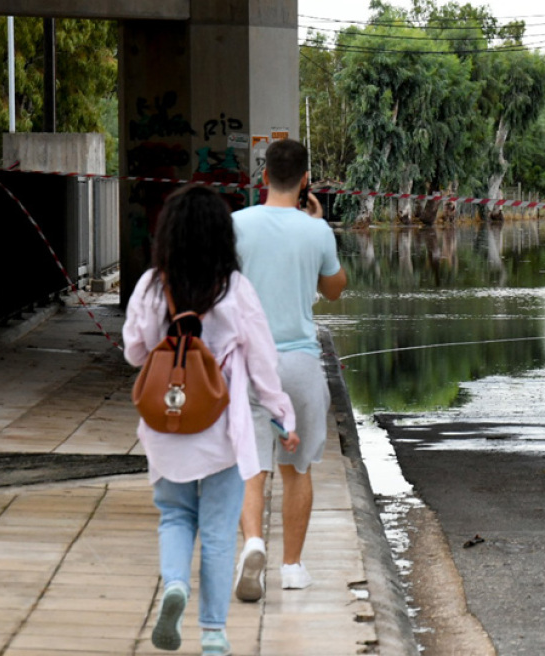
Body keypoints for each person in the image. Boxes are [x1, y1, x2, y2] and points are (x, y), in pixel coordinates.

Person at [123, 185, 300, 655]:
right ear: (222, 236)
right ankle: (215, 635)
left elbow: (134, 350)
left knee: (175, 517)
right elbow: (263, 364)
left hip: (166, 429)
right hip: (221, 432)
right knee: (220, 532)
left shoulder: (151, 285)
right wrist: (282, 413)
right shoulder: (234, 289)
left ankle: (176, 585)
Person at [231, 139, 347, 600]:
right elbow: (335, 290)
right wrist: (317, 229)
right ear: (304, 181)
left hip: (248, 363)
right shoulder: (316, 231)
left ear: (262, 178)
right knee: (297, 468)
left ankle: (253, 543)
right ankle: (293, 568)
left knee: (251, 468)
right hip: (299, 361)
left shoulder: (235, 225)